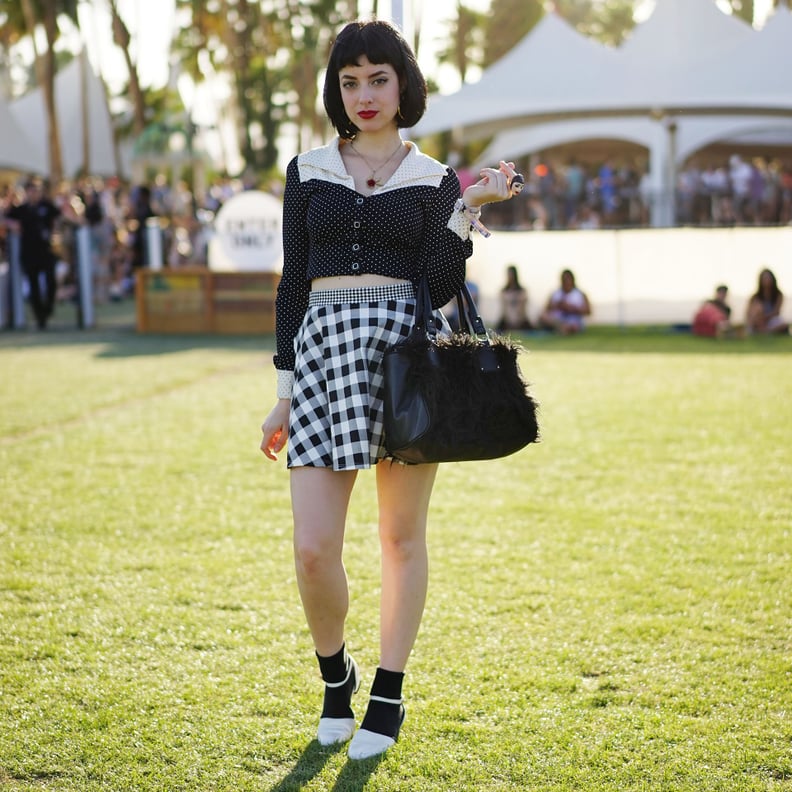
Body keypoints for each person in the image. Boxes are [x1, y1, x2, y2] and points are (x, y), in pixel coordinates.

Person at [259, 19, 520, 761]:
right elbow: (291, 286)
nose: (364, 94)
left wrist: (468, 207)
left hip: (405, 360)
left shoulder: (433, 176)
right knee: (313, 550)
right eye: (350, 81)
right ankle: (335, 677)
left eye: (378, 78)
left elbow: (437, 284)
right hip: (320, 359)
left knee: (400, 539)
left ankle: (388, 694)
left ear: (403, 82)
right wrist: (282, 391)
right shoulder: (306, 169)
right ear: (335, 91)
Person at [3, 180, 63, 329]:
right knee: (34, 286)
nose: (34, 193)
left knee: (51, 282)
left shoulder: (46, 206)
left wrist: (56, 229)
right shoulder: (21, 209)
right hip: (29, 253)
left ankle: (48, 309)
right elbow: (4, 218)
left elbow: (61, 215)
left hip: (46, 251)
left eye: (36, 190)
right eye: (31, 190)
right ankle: (40, 317)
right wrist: (11, 224)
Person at [539, 268, 591, 335]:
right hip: (557, 319)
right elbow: (546, 308)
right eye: (564, 279)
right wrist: (558, 305)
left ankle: (564, 328)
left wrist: (572, 308)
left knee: (574, 325)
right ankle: (561, 327)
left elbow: (588, 311)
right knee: (543, 317)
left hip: (573, 319)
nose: (566, 281)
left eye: (567, 279)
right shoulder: (555, 293)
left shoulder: (580, 294)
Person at [745, 268, 788, 335]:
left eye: (768, 278)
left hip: (771, 321)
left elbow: (776, 312)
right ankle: (762, 331)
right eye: (765, 278)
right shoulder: (755, 297)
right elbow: (749, 313)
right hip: (758, 321)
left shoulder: (778, 295)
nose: (767, 280)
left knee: (783, 325)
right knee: (757, 308)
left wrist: (765, 318)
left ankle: (764, 331)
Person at [496, 264, 532, 332]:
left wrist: (518, 320)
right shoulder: (504, 291)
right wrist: (508, 320)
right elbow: (504, 309)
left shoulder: (522, 291)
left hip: (520, 319)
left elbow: (522, 308)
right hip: (507, 320)